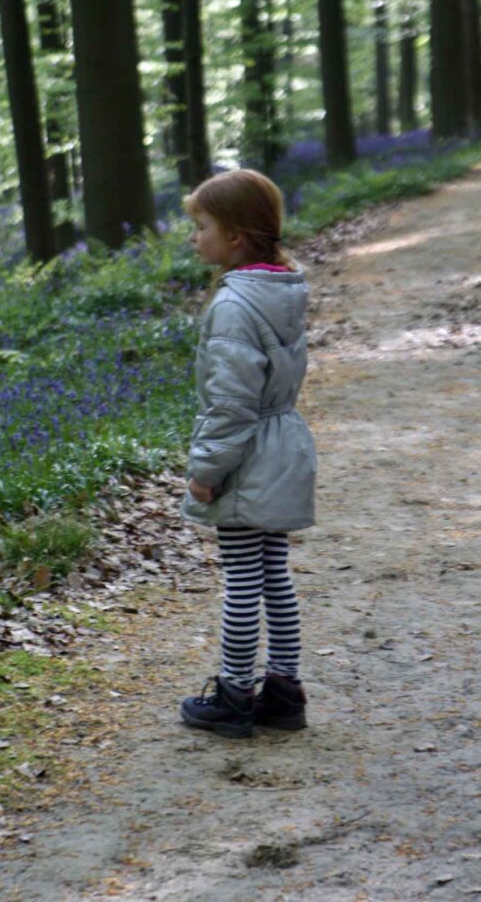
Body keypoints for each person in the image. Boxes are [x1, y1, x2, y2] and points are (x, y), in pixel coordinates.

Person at [180, 168, 316, 738]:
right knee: (272, 573)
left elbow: (232, 404)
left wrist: (206, 472)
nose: (194, 237)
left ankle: (235, 693)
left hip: (249, 456)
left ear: (235, 236)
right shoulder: (282, 288)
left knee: (240, 577)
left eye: (201, 226)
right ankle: (283, 691)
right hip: (283, 444)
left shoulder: (235, 306)